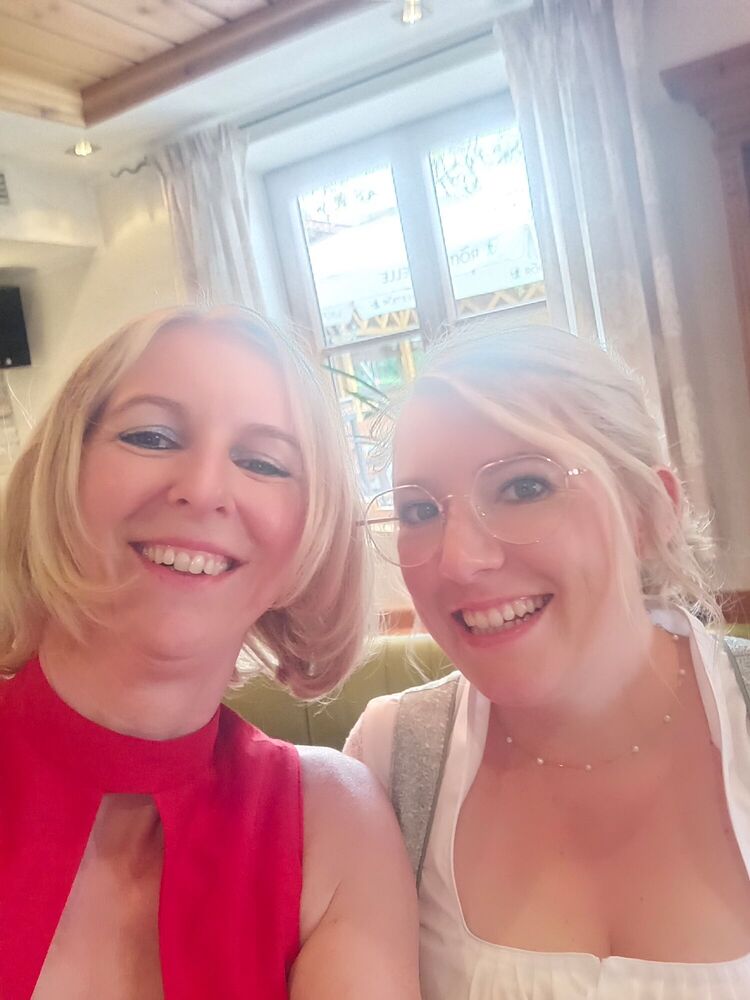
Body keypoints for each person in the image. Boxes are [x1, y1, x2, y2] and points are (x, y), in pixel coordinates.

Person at [0, 306, 420, 1000]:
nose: (202, 489)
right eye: (150, 436)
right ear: (60, 479)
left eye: (263, 462)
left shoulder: (333, 824)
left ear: (306, 544)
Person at [345, 324, 750, 999]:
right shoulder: (391, 762)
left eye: (524, 487)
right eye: (419, 510)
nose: (459, 560)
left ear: (650, 512)